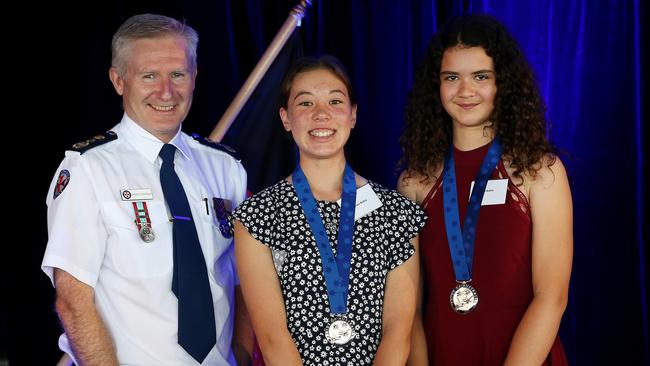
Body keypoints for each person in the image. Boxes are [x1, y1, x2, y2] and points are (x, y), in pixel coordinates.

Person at [42, 14, 251, 366]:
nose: (166, 92)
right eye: (149, 76)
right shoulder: (88, 169)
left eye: (178, 75)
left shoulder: (226, 169)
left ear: (195, 77)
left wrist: (241, 358)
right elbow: (73, 301)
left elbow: (245, 282)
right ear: (118, 80)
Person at [398, 14, 572, 366]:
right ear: (437, 86)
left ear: (503, 84)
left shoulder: (540, 172)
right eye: (452, 78)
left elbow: (551, 297)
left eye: (481, 76)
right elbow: (409, 311)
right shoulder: (414, 183)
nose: (466, 91)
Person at [231, 55, 427, 365]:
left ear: (352, 115)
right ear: (285, 118)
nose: (321, 114)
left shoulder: (397, 212)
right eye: (306, 104)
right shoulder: (257, 217)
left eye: (335, 102)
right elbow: (271, 337)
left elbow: (398, 330)